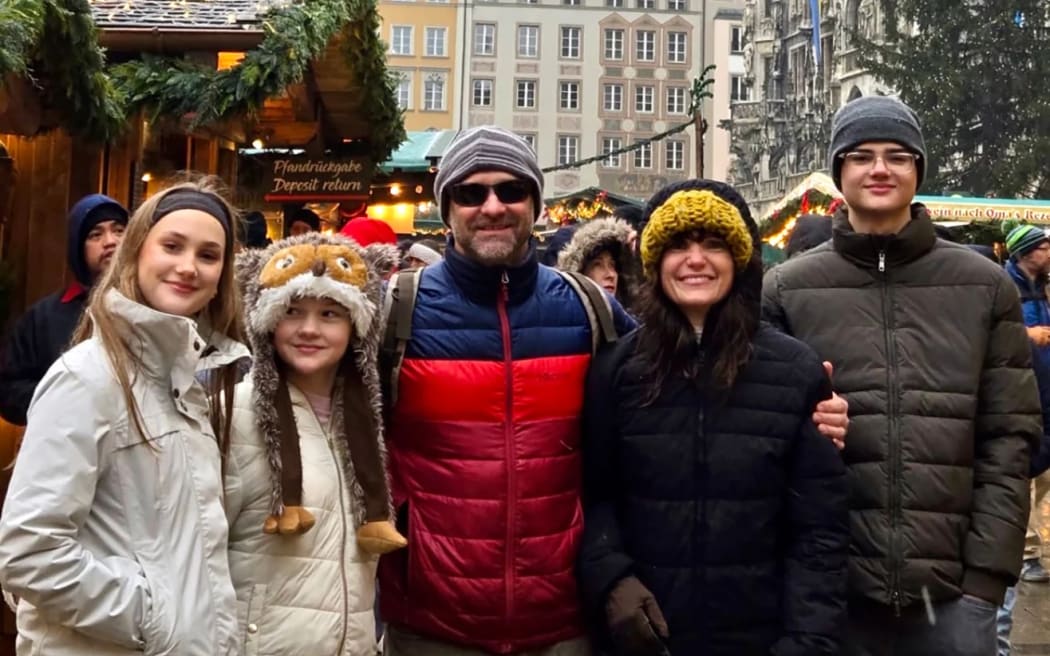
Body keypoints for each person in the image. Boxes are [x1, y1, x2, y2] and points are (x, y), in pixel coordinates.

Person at [762, 95, 1041, 655]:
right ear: (841, 171)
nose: (880, 169)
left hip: (955, 593)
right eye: (861, 155)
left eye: (898, 155)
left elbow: (1009, 437)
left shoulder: (984, 286)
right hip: (830, 589)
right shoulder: (787, 290)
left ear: (918, 169)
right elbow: (757, 434)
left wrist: (986, 579)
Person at [377, 126, 634, 655]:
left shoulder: (587, 306)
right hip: (431, 622)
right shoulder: (394, 309)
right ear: (447, 210)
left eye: (510, 191)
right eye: (471, 194)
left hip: (563, 619)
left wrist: (804, 398)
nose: (492, 206)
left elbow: (678, 388)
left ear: (536, 206)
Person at [579, 179, 849, 655]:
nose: (696, 259)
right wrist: (611, 578)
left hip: (760, 636)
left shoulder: (795, 370)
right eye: (678, 244)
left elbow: (819, 529)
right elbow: (594, 497)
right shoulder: (617, 370)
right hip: (646, 636)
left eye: (714, 245)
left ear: (739, 260)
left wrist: (807, 641)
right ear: (656, 262)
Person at [0, 178, 248, 654]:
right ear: (137, 252)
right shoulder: (87, 376)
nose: (188, 266)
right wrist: (158, 618)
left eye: (208, 255)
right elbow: (30, 553)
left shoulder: (190, 382)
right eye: (172, 246)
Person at [226, 232, 404, 656]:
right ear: (267, 319)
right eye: (292, 312)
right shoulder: (233, 414)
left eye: (329, 314)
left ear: (357, 325)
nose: (309, 329)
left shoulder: (368, 425)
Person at [0, 194, 128, 425]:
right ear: (78, 249)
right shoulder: (43, 317)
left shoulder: (155, 308)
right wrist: (66, 401)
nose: (111, 241)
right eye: (96, 235)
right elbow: (9, 391)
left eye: (119, 231)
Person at [557, 217, 639, 311]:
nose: (611, 275)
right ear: (581, 271)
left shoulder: (632, 322)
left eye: (612, 265)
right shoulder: (566, 319)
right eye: (598, 264)